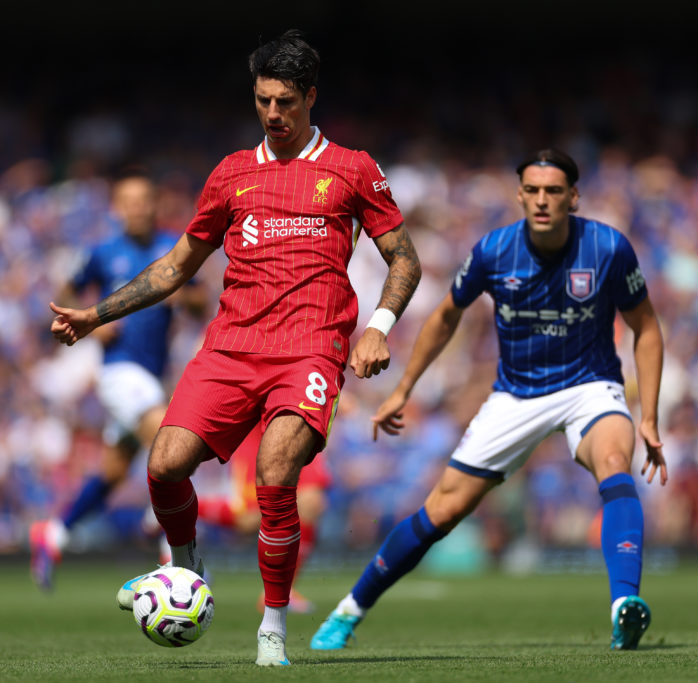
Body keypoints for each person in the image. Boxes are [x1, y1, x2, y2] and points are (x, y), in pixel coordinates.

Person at [48, 29, 421, 666]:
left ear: (310, 97)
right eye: (261, 100)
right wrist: (94, 313)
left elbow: (403, 260)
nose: (273, 114)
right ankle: (187, 569)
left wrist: (380, 325)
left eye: (285, 101)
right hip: (230, 346)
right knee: (163, 464)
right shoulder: (231, 174)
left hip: (310, 348)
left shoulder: (352, 168)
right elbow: (175, 266)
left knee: (277, 476)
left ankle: (272, 625)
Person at [310, 148, 667, 653]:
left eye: (554, 191)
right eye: (534, 191)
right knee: (442, 511)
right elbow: (444, 317)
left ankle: (623, 607)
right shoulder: (494, 252)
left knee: (614, 461)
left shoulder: (608, 248)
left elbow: (646, 329)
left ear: (573, 197)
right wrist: (404, 390)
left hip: (590, 386)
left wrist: (648, 415)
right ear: (520, 195)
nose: (543, 201)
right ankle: (349, 611)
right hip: (516, 394)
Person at [30, 169, 205, 591]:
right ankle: (170, 546)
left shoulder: (172, 248)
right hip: (119, 371)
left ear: (154, 204)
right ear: (118, 208)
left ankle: (54, 533)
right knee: (173, 443)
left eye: (145, 200)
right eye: (130, 201)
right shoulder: (103, 252)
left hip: (151, 373)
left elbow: (201, 302)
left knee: (113, 470)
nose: (138, 208)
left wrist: (184, 296)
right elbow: (67, 292)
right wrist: (96, 319)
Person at [195, 421, 331, 614]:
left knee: (311, 501)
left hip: (300, 424)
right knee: (248, 519)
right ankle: (183, 503)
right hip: (259, 431)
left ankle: (284, 591)